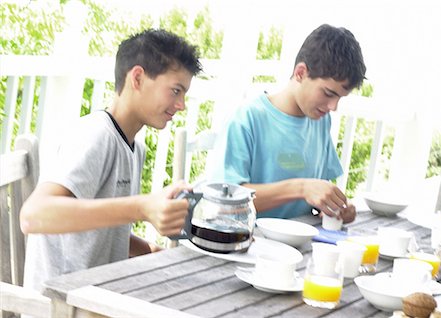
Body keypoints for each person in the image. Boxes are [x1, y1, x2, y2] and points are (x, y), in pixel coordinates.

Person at [20, 29, 202, 293]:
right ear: (137, 78)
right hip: (60, 307)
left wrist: (152, 252)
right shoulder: (95, 136)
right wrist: (142, 207)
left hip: (97, 297)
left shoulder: (134, 147)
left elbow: (98, 235)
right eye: (175, 90)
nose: (182, 104)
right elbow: (33, 216)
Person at [211, 24, 366, 223]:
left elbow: (316, 189)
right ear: (300, 73)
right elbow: (225, 201)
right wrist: (301, 188)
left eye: (340, 98)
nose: (333, 106)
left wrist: (336, 205)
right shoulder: (246, 119)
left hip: (299, 244)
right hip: (244, 242)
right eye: (328, 93)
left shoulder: (320, 121)